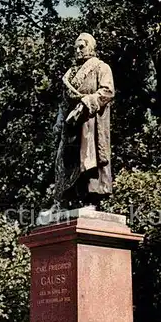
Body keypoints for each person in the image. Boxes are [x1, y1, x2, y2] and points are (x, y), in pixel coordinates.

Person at [53, 33, 115, 209]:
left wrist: (86, 102)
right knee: (69, 160)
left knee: (89, 159)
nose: (78, 50)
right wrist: (59, 121)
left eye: (82, 46)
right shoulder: (70, 73)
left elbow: (108, 91)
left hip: (90, 122)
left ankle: (91, 198)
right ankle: (72, 199)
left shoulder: (101, 67)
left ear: (91, 47)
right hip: (70, 124)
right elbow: (64, 101)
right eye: (76, 48)